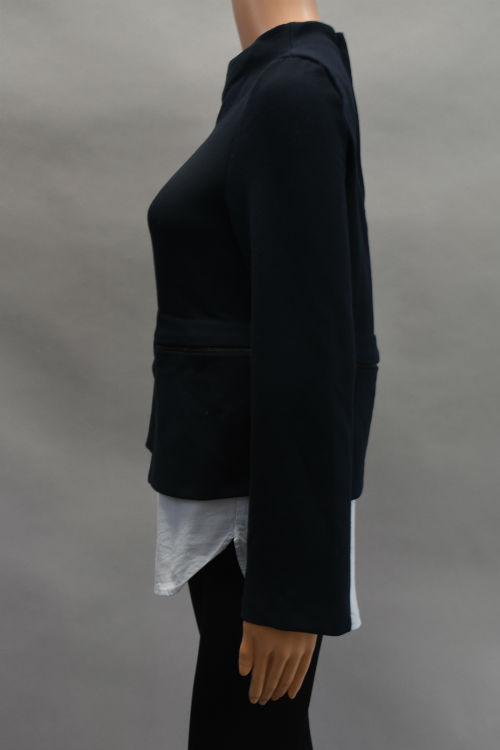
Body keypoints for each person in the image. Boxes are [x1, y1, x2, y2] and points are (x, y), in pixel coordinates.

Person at [144, 2, 380, 747]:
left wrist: (291, 590)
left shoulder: (292, 90)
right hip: (237, 492)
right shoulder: (272, 82)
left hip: (256, 516)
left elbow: (313, 344)